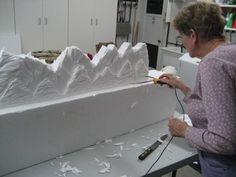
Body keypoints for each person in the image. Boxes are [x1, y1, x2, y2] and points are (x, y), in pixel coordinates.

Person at [158, 2, 236, 177]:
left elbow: (225, 141)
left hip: (224, 166)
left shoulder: (213, 64)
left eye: (181, 37)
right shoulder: (230, 52)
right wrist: (182, 86)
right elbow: (219, 103)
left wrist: (184, 130)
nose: (182, 42)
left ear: (193, 35)